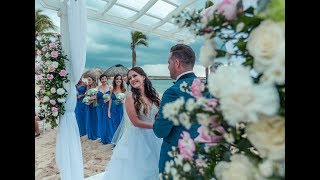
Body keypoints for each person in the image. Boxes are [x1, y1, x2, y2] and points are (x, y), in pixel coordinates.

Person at [102, 67, 162, 180]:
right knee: (140, 168)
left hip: (155, 136)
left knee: (156, 165)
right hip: (138, 138)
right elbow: (135, 122)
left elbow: (157, 115)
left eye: (135, 76)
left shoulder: (153, 95)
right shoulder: (130, 96)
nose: (132, 79)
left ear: (143, 77)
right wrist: (155, 126)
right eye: (130, 78)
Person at [153, 44, 200, 173]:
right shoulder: (208, 88)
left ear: (177, 63)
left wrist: (157, 118)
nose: (168, 67)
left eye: (169, 63)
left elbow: (160, 131)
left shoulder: (172, 92)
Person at [108, 74, 126, 140]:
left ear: (122, 81)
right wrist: (109, 111)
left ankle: (120, 140)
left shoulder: (124, 89)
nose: (118, 80)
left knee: (120, 125)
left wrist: (123, 101)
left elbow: (126, 100)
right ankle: (114, 141)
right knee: (113, 124)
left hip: (120, 109)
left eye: (120, 79)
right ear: (115, 80)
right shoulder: (112, 89)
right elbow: (110, 100)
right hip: (113, 109)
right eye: (117, 79)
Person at [96, 74, 113, 144]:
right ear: (100, 80)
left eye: (105, 79)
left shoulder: (110, 87)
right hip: (100, 106)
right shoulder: (97, 88)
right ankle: (103, 138)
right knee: (101, 122)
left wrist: (109, 99)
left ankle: (109, 138)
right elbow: (95, 98)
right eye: (102, 79)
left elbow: (112, 97)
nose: (104, 80)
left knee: (108, 122)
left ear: (107, 79)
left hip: (108, 107)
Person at [84, 75, 99, 140]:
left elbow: (95, 97)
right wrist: (86, 101)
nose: (88, 81)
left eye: (89, 80)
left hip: (94, 106)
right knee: (89, 119)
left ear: (93, 81)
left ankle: (95, 135)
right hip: (88, 106)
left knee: (94, 120)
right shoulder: (88, 87)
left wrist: (90, 101)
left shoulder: (96, 88)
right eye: (88, 80)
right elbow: (86, 96)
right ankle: (90, 134)